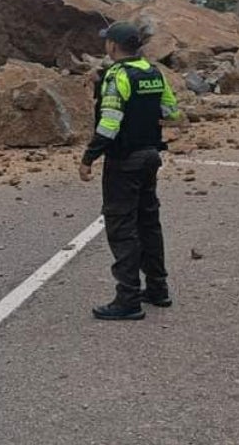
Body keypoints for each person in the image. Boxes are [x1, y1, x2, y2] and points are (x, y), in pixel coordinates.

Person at [78, 21, 183, 320]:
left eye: (106, 42)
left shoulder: (117, 76)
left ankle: (128, 299)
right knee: (148, 223)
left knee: (122, 227)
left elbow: (109, 123)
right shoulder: (153, 72)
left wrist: (89, 157)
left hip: (124, 161)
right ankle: (157, 289)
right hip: (151, 156)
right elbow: (172, 112)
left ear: (112, 46)